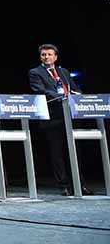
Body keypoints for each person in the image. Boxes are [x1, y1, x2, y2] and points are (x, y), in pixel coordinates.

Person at [28, 44, 93, 196]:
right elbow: (40, 90)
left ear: (55, 57)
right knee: (57, 153)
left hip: (70, 116)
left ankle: (80, 184)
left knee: (75, 152)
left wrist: (78, 96)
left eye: (50, 54)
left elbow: (75, 88)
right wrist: (62, 97)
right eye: (44, 54)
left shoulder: (63, 71)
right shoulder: (35, 72)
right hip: (53, 117)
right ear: (41, 57)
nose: (47, 57)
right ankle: (63, 185)